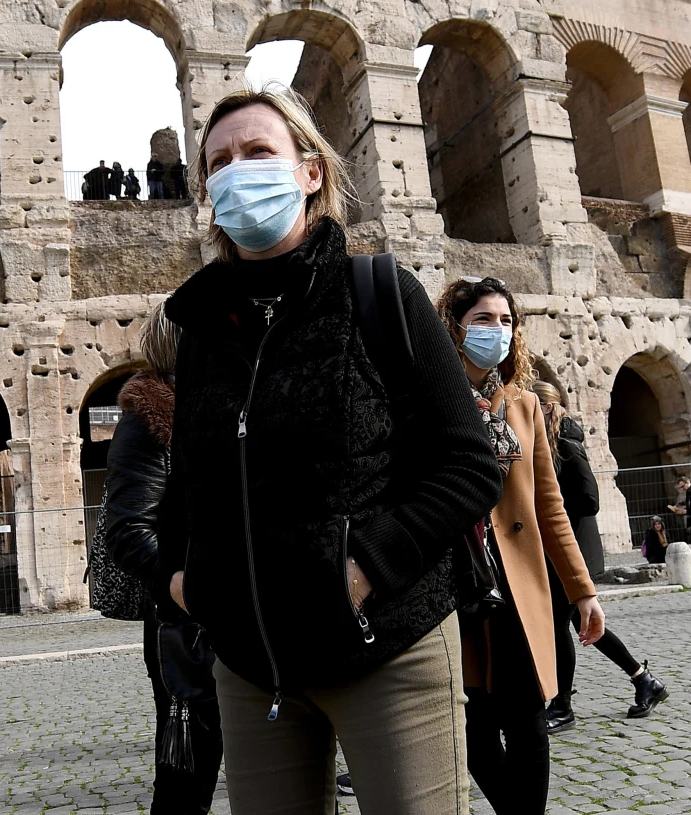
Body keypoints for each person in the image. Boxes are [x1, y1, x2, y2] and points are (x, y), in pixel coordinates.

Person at [157, 85, 504, 815]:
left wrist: (367, 564)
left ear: (310, 171)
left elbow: (470, 463)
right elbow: (188, 488)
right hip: (251, 665)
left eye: (258, 151)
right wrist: (190, 581)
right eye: (218, 163)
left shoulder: (382, 294)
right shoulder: (200, 331)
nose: (237, 171)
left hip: (388, 645)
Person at [436, 276, 605, 814]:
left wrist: (583, 591)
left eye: (506, 321)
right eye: (484, 319)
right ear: (455, 327)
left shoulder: (525, 405)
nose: (498, 330)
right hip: (455, 581)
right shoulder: (430, 399)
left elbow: (550, 508)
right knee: (475, 724)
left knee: (529, 723)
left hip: (517, 584)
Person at [103, 302, 223, 814]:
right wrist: (185, 587)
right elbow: (128, 530)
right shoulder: (148, 420)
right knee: (186, 779)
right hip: (188, 622)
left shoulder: (219, 408)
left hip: (237, 612)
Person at [532, 381, 669, 728]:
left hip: (575, 550)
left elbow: (590, 500)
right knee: (584, 624)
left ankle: (562, 706)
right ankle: (644, 680)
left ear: (545, 407)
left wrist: (552, 509)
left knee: (561, 626)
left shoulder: (566, 445)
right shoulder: (549, 443)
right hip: (562, 551)